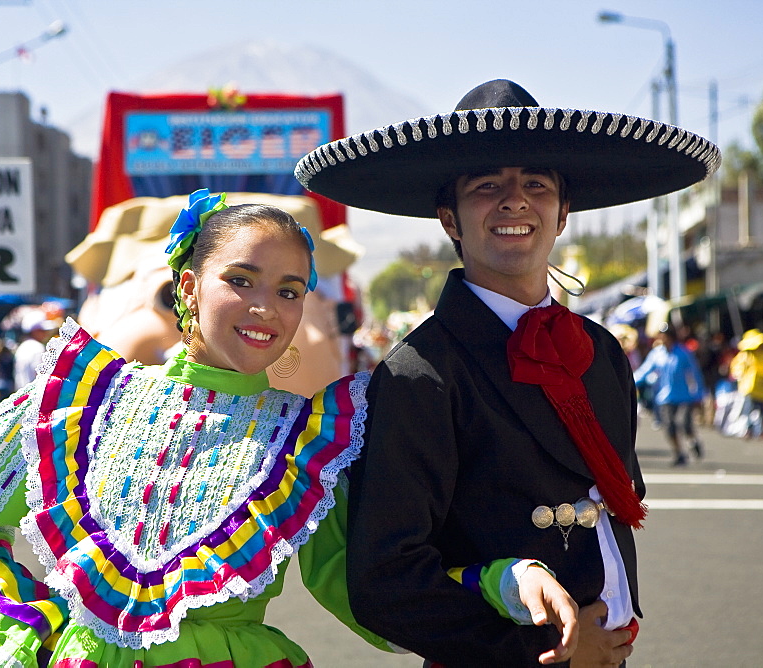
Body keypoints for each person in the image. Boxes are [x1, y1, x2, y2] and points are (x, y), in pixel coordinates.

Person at [0, 190, 578, 667]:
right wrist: (21, 612)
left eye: (290, 290)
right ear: (188, 285)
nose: (266, 306)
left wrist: (504, 584)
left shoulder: (305, 443)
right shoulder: (87, 402)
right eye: (240, 281)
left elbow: (365, 584)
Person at [296, 79, 720, 665]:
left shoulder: (600, 351)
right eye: (487, 185)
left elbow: (612, 506)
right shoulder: (418, 374)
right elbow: (385, 581)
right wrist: (550, 644)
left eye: (536, 184)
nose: (515, 200)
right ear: (450, 218)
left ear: (563, 213)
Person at [633, 326, 706, 466]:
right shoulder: (657, 354)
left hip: (684, 396)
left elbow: (694, 373)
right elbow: (645, 370)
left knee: (685, 424)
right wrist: (629, 381)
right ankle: (679, 453)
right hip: (665, 397)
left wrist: (699, 393)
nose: (661, 338)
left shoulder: (683, 353)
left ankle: (693, 442)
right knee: (669, 426)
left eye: (664, 335)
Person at [729, 328, 763, 439]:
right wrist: (739, 373)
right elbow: (736, 368)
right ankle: (748, 429)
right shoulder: (744, 357)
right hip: (749, 389)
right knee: (748, 410)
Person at [13, 307, 63, 388]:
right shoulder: (37, 348)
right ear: (35, 331)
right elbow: (40, 375)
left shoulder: (22, 346)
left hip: (22, 395)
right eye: (42, 331)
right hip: (34, 396)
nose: (46, 334)